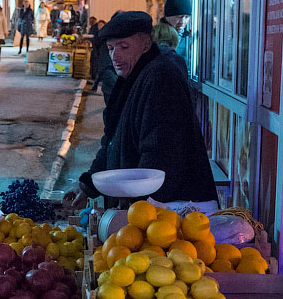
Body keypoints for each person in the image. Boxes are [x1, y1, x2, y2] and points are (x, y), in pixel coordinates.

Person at [62, 11, 216, 209]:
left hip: (166, 213)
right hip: (140, 209)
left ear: (145, 45)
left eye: (124, 47)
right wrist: (87, 186)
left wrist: (138, 213)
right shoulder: (133, 77)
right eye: (110, 48)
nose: (114, 56)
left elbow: (160, 155)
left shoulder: (160, 78)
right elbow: (111, 142)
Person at [158, 0, 193, 64]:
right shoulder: (156, 37)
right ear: (168, 16)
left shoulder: (188, 38)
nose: (183, 21)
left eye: (186, 17)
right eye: (179, 17)